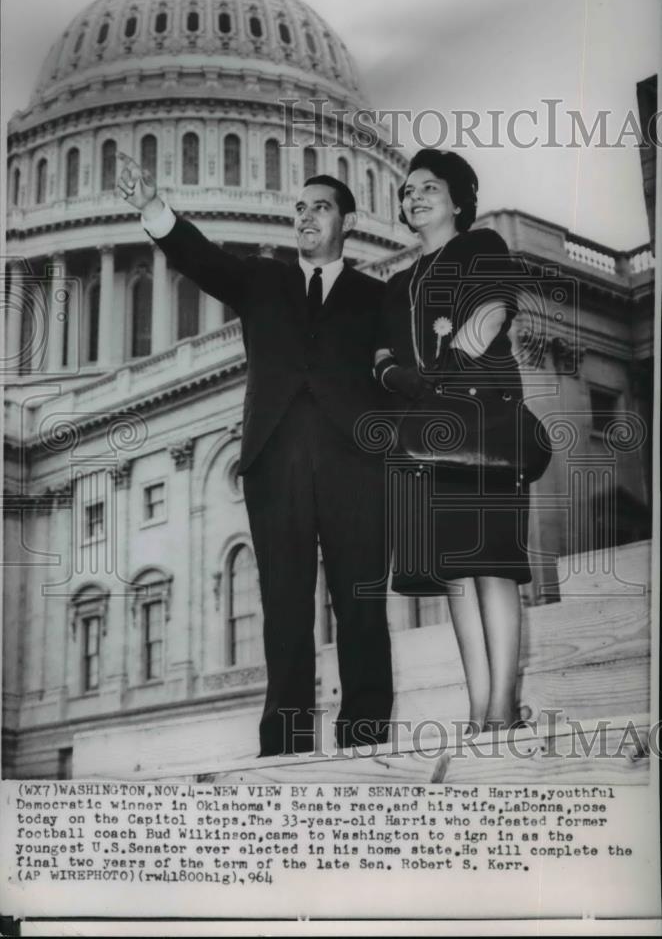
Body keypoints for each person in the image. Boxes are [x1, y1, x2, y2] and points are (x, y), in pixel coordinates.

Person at [116, 152, 393, 757]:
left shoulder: (378, 296)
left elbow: (397, 370)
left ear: (348, 220)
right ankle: (287, 745)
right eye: (300, 208)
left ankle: (368, 740)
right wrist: (152, 208)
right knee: (285, 607)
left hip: (355, 463)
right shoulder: (263, 279)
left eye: (320, 207)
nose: (306, 217)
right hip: (277, 460)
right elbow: (202, 260)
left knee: (361, 603)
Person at [375, 148, 531, 734]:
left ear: (458, 199)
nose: (414, 197)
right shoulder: (396, 284)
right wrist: (398, 377)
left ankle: (503, 708)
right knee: (457, 572)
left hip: (486, 418)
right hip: (429, 436)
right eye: (408, 191)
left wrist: (435, 374)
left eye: (428, 188)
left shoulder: (481, 247)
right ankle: (477, 709)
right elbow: (382, 357)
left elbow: (491, 313)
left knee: (495, 565)